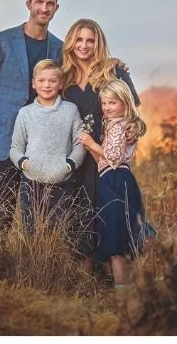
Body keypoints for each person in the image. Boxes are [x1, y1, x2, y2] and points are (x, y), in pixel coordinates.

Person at [0, 0, 65, 230]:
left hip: (42, 144)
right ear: (29, 4)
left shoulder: (59, 48)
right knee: (1, 215)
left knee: (36, 217)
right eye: (39, 2)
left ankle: (29, 267)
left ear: (56, 8)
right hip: (6, 140)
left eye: (50, 3)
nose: (44, 8)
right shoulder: (1, 41)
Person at [60, 18, 141, 259]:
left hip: (107, 154)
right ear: (71, 43)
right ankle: (84, 273)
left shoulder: (114, 72)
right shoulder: (64, 77)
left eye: (90, 41)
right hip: (76, 154)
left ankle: (116, 272)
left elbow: (133, 109)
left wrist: (135, 127)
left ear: (99, 43)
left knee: (110, 209)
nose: (84, 46)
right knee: (80, 210)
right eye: (79, 40)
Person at [78, 79, 155, 289]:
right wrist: (90, 148)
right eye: (104, 104)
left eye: (112, 103)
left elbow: (113, 158)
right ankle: (129, 282)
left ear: (125, 103)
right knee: (121, 229)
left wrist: (91, 143)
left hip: (116, 180)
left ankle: (128, 284)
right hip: (109, 178)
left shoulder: (120, 126)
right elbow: (103, 161)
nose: (107, 108)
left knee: (117, 231)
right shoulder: (114, 125)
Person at [8, 59, 86, 243]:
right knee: (31, 235)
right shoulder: (25, 113)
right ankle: (33, 270)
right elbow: (15, 148)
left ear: (60, 84)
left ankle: (55, 270)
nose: (47, 85)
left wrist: (69, 165)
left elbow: (80, 143)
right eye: (42, 80)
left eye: (52, 81)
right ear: (33, 84)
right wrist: (25, 164)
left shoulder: (70, 110)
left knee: (58, 235)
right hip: (31, 183)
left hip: (62, 184)